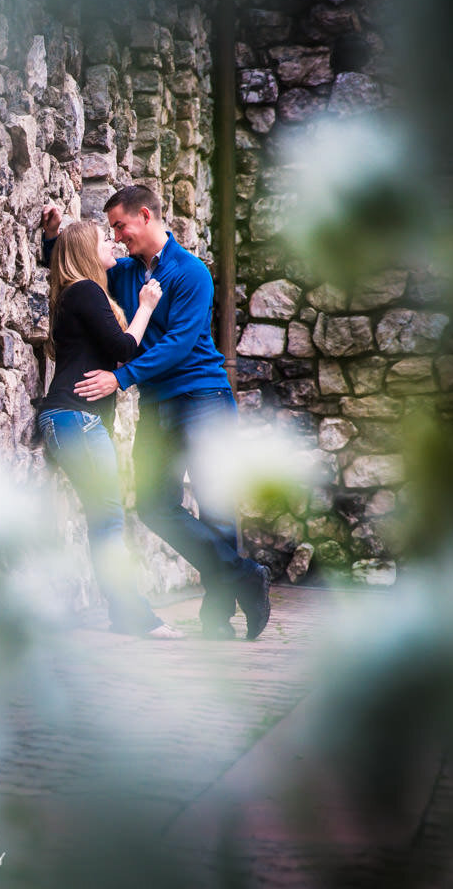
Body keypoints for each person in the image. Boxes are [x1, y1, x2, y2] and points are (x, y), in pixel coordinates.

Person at [52, 186, 272, 640]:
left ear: (145, 216)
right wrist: (54, 239)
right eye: (110, 229)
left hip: (203, 398)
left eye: (120, 226)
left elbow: (179, 344)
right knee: (152, 505)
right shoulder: (126, 272)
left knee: (215, 508)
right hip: (157, 404)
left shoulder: (191, 273)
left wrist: (121, 378)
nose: (116, 236)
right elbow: (79, 273)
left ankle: (217, 619)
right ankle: (246, 576)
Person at [36, 219, 185, 640]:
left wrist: (51, 237)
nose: (114, 243)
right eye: (105, 239)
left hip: (69, 420)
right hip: (77, 420)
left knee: (104, 521)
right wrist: (146, 307)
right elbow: (123, 349)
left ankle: (126, 615)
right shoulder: (85, 290)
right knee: (108, 522)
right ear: (87, 251)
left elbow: (59, 257)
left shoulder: (75, 293)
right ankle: (135, 618)